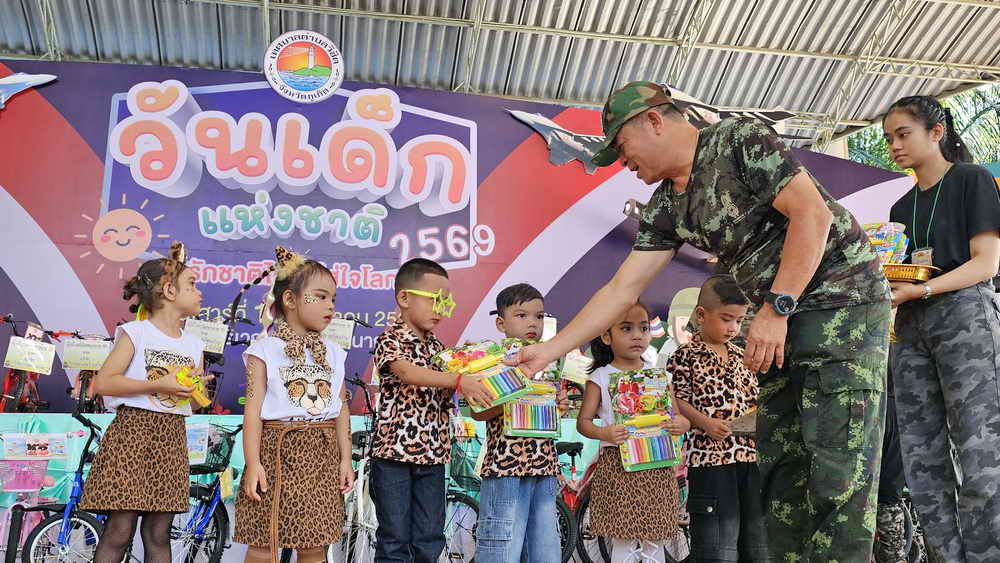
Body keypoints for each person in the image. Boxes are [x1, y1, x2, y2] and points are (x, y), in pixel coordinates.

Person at [509, 81, 891, 562]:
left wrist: (776, 308)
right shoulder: (666, 207)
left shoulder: (736, 140)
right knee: (783, 474)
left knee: (839, 469)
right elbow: (621, 289)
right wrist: (548, 351)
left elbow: (811, 214)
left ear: (654, 120)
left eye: (621, 146)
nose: (622, 162)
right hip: (777, 324)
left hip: (841, 304)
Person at [884, 95, 1000, 563]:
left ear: (936, 132)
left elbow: (986, 264)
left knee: (980, 450)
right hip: (911, 325)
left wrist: (923, 290)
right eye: (888, 138)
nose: (894, 146)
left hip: (965, 316)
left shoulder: (972, 180)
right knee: (920, 456)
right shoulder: (899, 207)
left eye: (903, 134)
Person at [82, 242, 206, 563]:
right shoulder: (136, 332)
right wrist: (158, 384)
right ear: (169, 290)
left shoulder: (194, 344)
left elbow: (190, 405)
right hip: (132, 433)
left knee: (158, 532)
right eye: (192, 284)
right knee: (119, 529)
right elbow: (104, 383)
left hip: (171, 437)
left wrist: (194, 391)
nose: (199, 292)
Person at [234, 247, 353, 563]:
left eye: (333, 298)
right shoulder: (264, 350)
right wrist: (253, 463)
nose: (330, 305)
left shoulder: (334, 353)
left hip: (322, 455)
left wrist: (345, 459)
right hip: (276, 453)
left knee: (314, 545)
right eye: (321, 296)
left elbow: (341, 408)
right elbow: (253, 411)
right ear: (290, 299)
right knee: (264, 543)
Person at [369, 258, 491, 562]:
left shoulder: (438, 348)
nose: (440, 308)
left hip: (434, 455)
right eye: (434, 299)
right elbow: (408, 373)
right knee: (394, 539)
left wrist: (472, 364)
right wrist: (458, 379)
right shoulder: (390, 339)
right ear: (404, 298)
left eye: (445, 301)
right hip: (394, 456)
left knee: (430, 537)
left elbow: (448, 383)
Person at [577, 301, 690, 563]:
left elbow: (679, 417)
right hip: (618, 467)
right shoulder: (600, 377)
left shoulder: (659, 376)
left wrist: (681, 425)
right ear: (607, 336)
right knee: (623, 538)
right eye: (626, 328)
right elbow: (583, 422)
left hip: (657, 467)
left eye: (643, 328)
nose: (637, 335)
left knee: (655, 540)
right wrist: (604, 433)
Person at [669, 275, 769, 562]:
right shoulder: (685, 355)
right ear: (702, 315)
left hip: (749, 457)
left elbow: (754, 399)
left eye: (739, 321)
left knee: (756, 544)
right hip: (709, 460)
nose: (733, 327)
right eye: (726, 319)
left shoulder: (742, 355)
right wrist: (705, 422)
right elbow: (677, 399)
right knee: (716, 548)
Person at [471, 283, 570, 563]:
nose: (532, 323)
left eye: (539, 316)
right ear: (500, 323)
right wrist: (512, 392)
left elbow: (551, 413)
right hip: (505, 467)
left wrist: (558, 406)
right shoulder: (491, 361)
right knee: (502, 548)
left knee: (545, 549)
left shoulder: (548, 361)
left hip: (545, 466)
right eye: (521, 315)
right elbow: (478, 412)